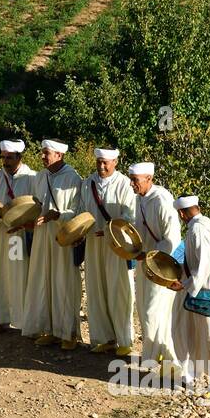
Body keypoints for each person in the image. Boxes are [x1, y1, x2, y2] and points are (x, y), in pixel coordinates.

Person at [170, 195, 210, 401]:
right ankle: (191, 374)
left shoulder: (199, 229)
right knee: (187, 330)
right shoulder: (204, 226)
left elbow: (206, 264)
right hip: (197, 288)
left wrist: (186, 285)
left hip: (204, 291)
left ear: (182, 213)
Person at [23, 140, 84, 348]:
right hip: (42, 236)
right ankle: (49, 329)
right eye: (42, 153)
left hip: (63, 237)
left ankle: (69, 333)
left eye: (46, 153)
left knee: (63, 282)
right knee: (45, 280)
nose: (42, 156)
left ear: (59, 155)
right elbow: (35, 204)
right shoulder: (40, 176)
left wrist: (57, 215)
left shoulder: (73, 178)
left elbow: (78, 211)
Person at [82, 147, 137, 356]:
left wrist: (108, 231)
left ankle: (124, 340)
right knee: (96, 289)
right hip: (93, 243)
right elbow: (82, 210)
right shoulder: (88, 183)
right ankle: (103, 338)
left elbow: (129, 216)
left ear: (115, 163)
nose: (102, 166)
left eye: (106, 162)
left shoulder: (124, 183)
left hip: (116, 245)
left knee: (119, 290)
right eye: (99, 162)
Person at [128, 162, 180, 371]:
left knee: (154, 311)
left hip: (161, 264)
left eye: (135, 181)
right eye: (131, 180)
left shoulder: (162, 200)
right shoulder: (139, 199)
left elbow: (172, 239)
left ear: (149, 179)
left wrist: (153, 257)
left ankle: (171, 359)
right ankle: (152, 355)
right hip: (144, 263)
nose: (132, 184)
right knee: (144, 308)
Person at [0, 139, 36, 334]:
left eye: (9, 158)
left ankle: (21, 321)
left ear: (19, 157)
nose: (5, 161)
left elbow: (35, 207)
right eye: (3, 157)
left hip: (17, 237)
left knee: (17, 274)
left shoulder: (31, 178)